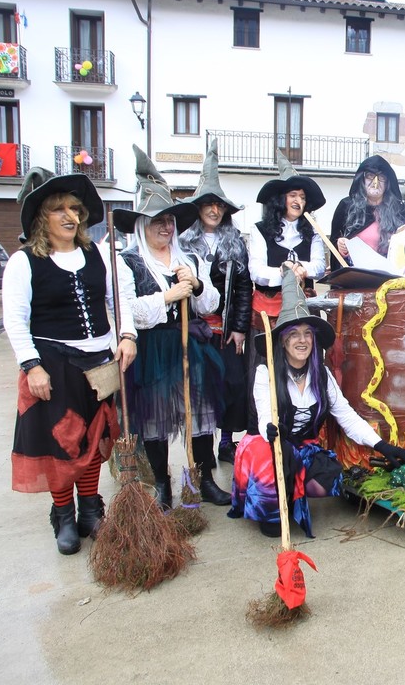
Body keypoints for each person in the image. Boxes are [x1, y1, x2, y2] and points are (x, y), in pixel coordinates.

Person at [2, 167, 137, 555]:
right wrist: (32, 366)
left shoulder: (98, 255)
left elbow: (119, 299)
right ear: (41, 217)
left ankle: (90, 512)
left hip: (99, 362)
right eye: (58, 209)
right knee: (62, 442)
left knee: (94, 440)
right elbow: (15, 318)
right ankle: (64, 515)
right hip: (54, 363)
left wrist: (127, 336)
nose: (69, 216)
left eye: (75, 209)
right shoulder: (24, 261)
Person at [230, 269, 405, 537]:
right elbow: (264, 415)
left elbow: (346, 415)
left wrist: (381, 445)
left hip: (301, 447)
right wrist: (272, 429)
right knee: (272, 521)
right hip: (268, 446)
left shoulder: (322, 375)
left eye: (307, 334)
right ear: (282, 340)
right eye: (294, 334)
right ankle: (272, 498)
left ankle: (291, 491)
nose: (302, 340)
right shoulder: (266, 372)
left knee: (330, 479)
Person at [116, 150, 231, 510]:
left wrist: (195, 285)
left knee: (200, 414)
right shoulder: (127, 261)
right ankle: (163, 486)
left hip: (190, 345)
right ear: (142, 224)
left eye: (169, 220)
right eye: (157, 221)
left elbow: (210, 305)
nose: (165, 227)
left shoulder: (189, 259)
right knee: (155, 420)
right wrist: (168, 295)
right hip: (153, 350)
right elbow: (128, 310)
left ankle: (204, 480)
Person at [178, 139, 252, 466]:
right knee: (201, 391)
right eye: (208, 204)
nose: (214, 210)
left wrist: (240, 328)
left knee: (232, 385)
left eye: (219, 205)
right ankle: (202, 454)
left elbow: (244, 288)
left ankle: (226, 441)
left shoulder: (235, 243)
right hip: (195, 331)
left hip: (226, 330)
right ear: (198, 207)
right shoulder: (182, 243)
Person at [250, 150, 327, 314]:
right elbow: (256, 271)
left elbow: (319, 267)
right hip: (269, 308)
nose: (298, 201)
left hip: (304, 306)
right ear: (281, 199)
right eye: (293, 195)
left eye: (303, 197)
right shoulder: (259, 230)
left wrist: (301, 267)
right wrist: (286, 271)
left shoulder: (312, 232)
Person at [330, 154, 405, 267]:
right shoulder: (347, 206)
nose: (375, 182)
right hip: (356, 274)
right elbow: (334, 243)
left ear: (387, 183)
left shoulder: (398, 211)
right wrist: (340, 244)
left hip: (386, 273)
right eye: (370, 176)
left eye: (381, 178)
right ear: (362, 180)